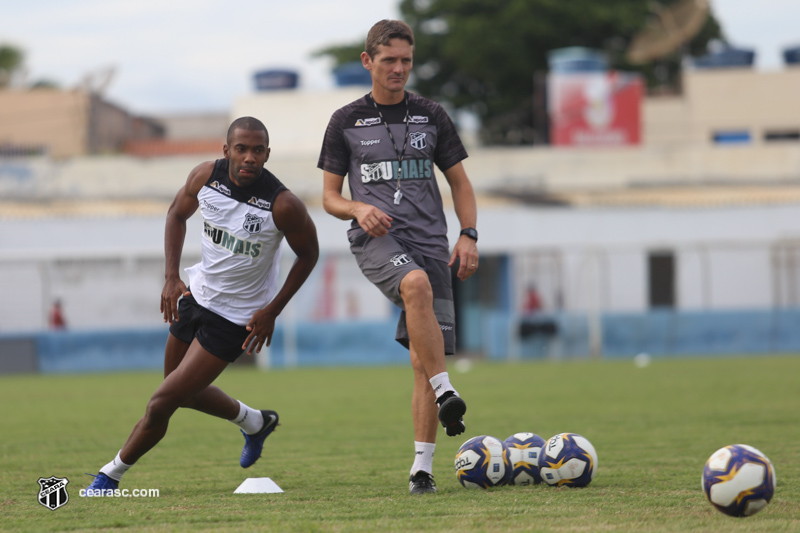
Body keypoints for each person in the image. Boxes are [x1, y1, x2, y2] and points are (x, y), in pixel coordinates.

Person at [84, 117, 319, 495]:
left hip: (237, 318)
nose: (249, 158)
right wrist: (171, 276)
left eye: (258, 150)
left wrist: (272, 309)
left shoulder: (283, 204)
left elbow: (309, 255)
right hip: (196, 295)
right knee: (179, 392)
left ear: (267, 154)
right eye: (241, 149)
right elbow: (176, 215)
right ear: (226, 151)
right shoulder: (204, 176)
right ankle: (255, 422)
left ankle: (109, 476)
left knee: (162, 402)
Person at [318, 19, 479, 495]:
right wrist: (357, 207)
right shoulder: (344, 121)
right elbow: (328, 196)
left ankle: (421, 471)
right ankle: (447, 389)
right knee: (415, 286)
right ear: (368, 61)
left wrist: (468, 234)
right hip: (377, 241)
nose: (399, 69)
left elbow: (461, 184)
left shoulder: (432, 114)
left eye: (406, 60)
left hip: (432, 243)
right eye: (389, 60)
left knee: (419, 362)